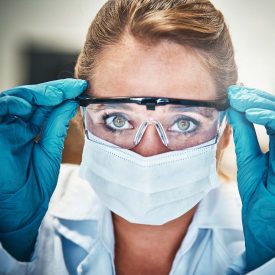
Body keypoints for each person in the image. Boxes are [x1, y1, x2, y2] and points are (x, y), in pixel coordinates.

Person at [0, 0, 275, 274]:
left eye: (183, 122)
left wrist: (266, 262)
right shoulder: (20, 214)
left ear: (226, 130)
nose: (148, 153)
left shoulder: (264, 236)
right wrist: (13, 246)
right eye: (118, 120)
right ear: (81, 120)